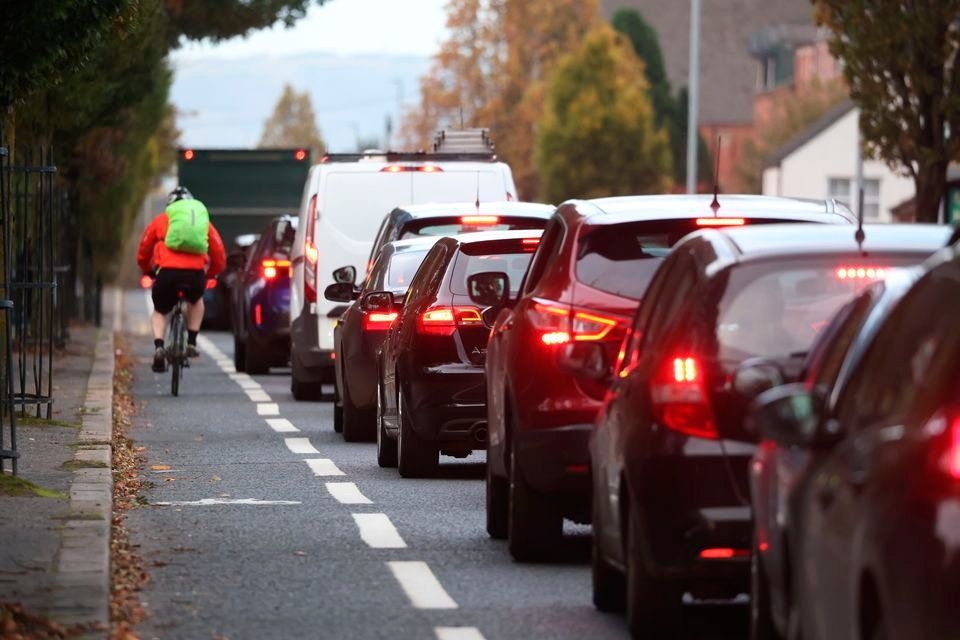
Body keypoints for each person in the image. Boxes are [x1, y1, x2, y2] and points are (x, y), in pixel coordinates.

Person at [137, 186, 226, 373]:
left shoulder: (162, 220)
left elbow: (144, 249)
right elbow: (218, 251)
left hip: (167, 273)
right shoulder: (201, 222)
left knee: (160, 310)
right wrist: (212, 272)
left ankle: (159, 346)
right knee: (196, 300)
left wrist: (148, 270)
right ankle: (192, 342)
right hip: (195, 274)